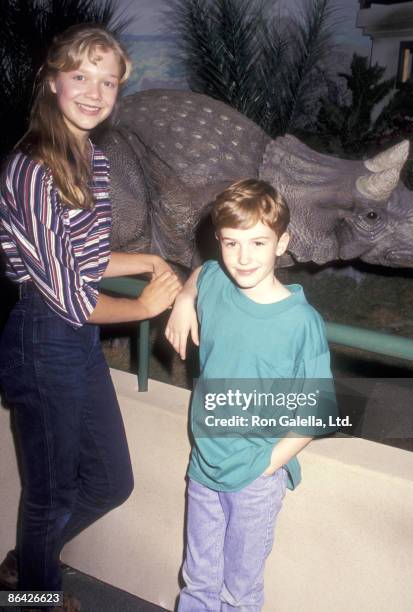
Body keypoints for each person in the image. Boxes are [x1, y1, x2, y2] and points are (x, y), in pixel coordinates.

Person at [0, 24, 181, 610]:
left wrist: (150, 259)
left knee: (110, 482)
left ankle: (27, 564)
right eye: (80, 76)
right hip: (43, 337)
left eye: (108, 81)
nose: (94, 92)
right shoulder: (30, 168)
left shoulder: (93, 160)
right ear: (52, 81)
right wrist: (144, 307)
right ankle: (36, 597)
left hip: (76, 341)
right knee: (49, 498)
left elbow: (87, 257)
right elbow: (66, 292)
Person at [165, 178, 338, 611]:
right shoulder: (218, 282)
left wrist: (266, 466)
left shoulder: (300, 322)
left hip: (255, 479)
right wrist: (184, 298)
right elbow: (203, 272)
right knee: (198, 581)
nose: (243, 258)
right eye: (231, 243)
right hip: (205, 464)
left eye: (258, 243)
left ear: (283, 244)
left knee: (239, 593)